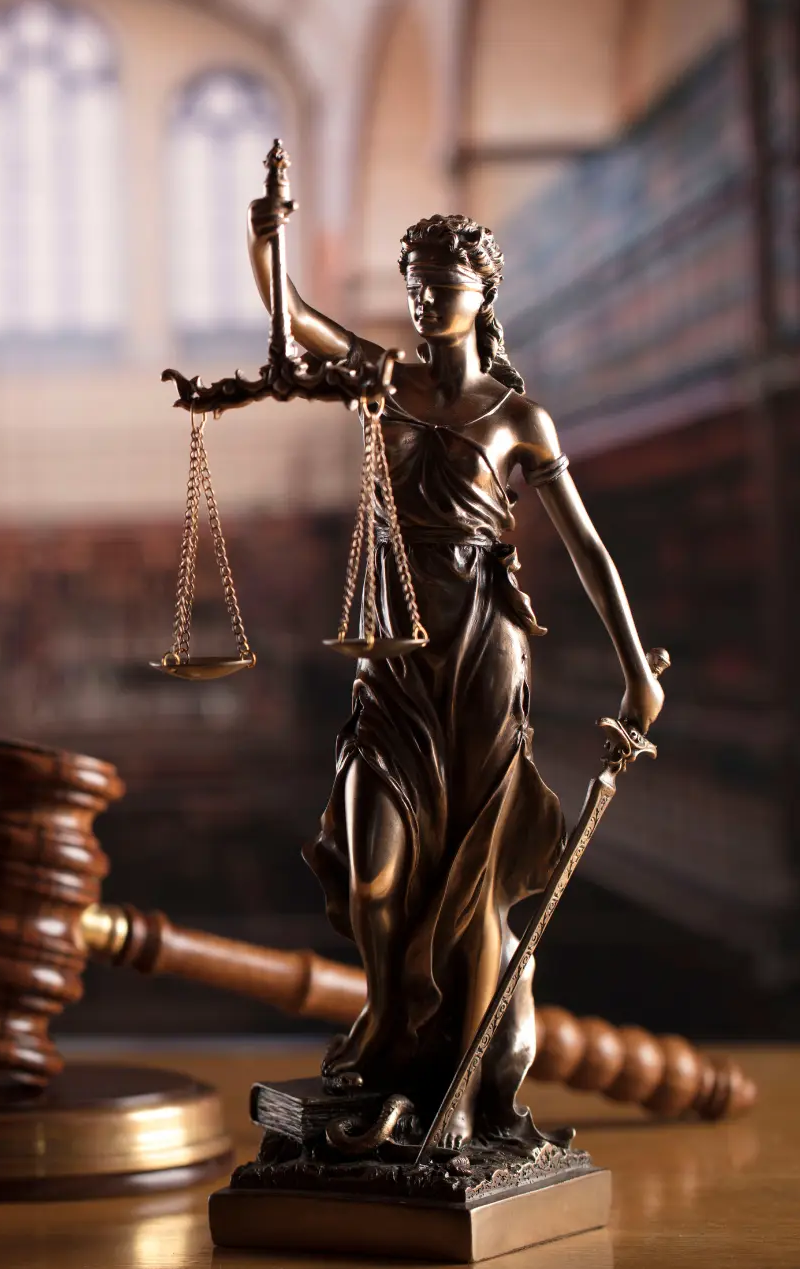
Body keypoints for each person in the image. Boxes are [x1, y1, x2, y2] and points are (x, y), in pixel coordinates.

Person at [173, 205, 665, 1148]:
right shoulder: (385, 380)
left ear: (484, 294)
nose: (426, 299)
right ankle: (395, 1036)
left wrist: (637, 669)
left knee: (477, 883)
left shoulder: (521, 417)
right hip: (394, 660)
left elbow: (590, 550)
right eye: (415, 284)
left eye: (444, 285)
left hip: (482, 652)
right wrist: (264, 237)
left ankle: (467, 1093)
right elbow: (295, 316)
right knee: (374, 880)